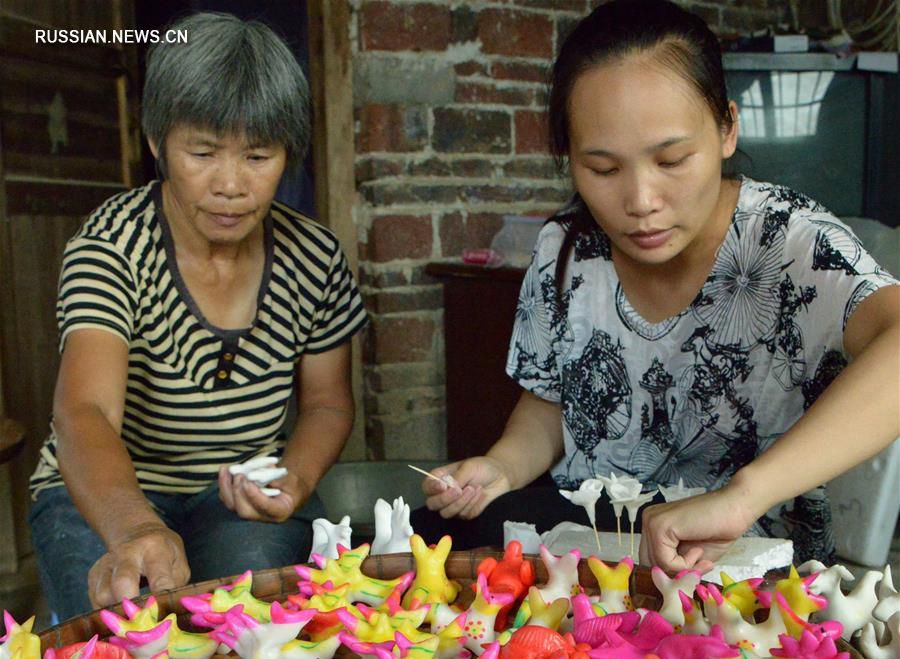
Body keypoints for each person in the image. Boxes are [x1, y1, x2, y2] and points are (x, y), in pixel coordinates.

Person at [420, 0, 899, 574]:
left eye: (671, 159)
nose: (641, 202)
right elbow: (550, 405)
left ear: (727, 128)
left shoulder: (791, 244)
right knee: (435, 543)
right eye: (603, 170)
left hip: (741, 562)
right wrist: (502, 466)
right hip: (595, 548)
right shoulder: (568, 248)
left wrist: (744, 494)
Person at [28, 12, 367, 623]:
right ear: (158, 142)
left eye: (259, 156)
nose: (231, 185)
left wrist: (293, 477)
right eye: (203, 152)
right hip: (103, 493)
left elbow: (326, 405)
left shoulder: (315, 257)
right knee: (121, 635)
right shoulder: (111, 248)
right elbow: (85, 411)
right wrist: (134, 528)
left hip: (233, 493)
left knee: (259, 619)